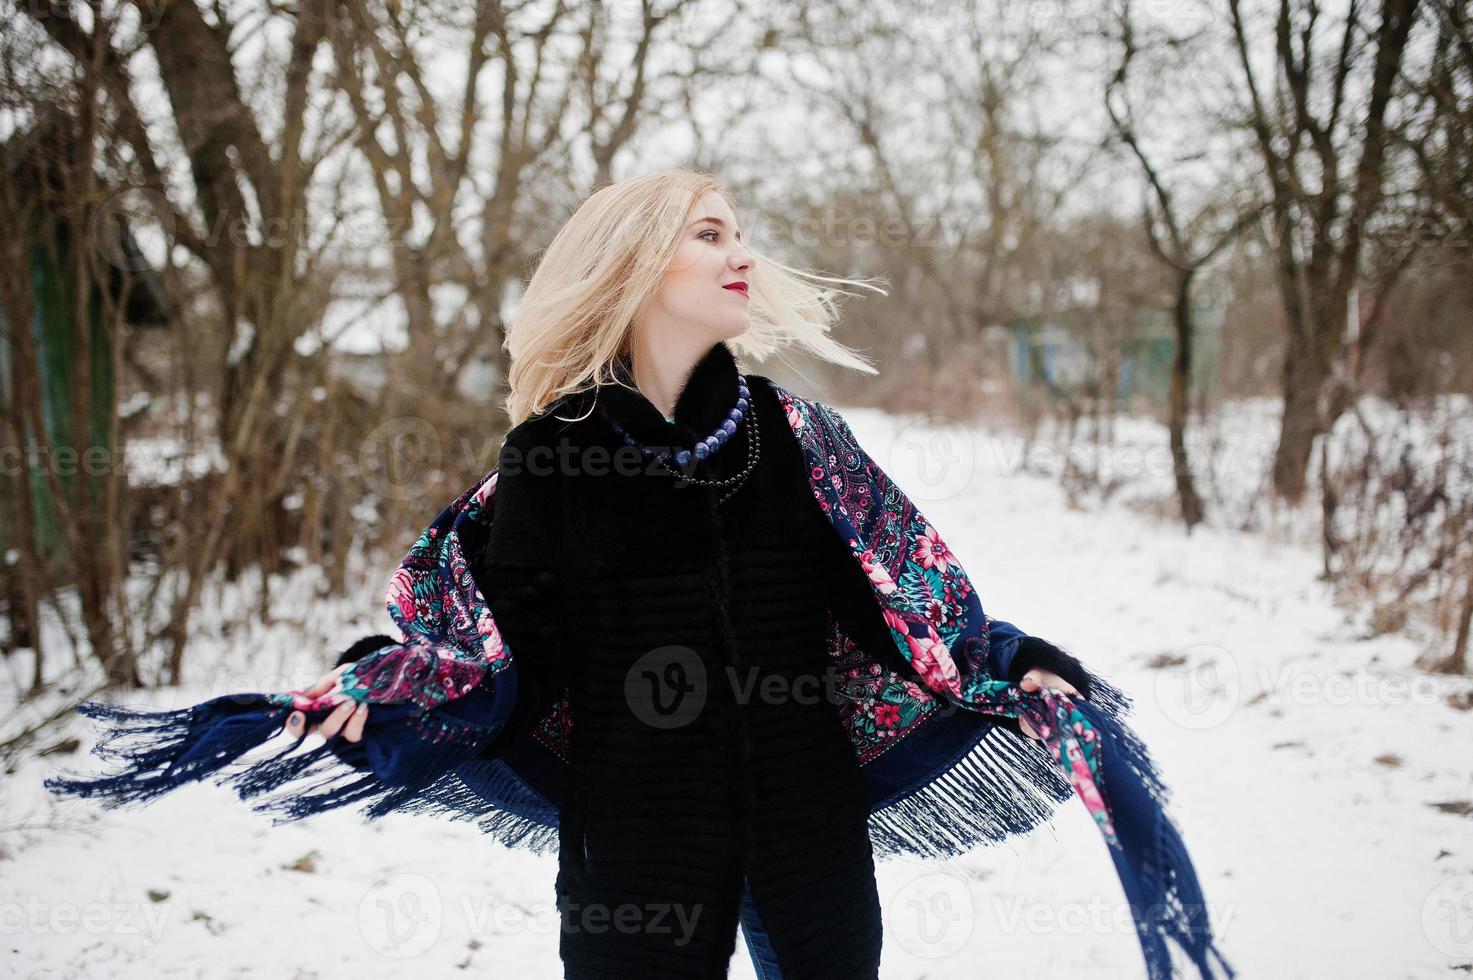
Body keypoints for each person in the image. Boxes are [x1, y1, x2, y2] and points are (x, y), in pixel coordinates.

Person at [286, 171, 1092, 978]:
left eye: (738, 234)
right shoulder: (550, 453)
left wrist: (1014, 663)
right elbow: (517, 666)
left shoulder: (795, 434)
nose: (740, 254)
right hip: (634, 846)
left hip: (807, 830)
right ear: (630, 263)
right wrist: (394, 685)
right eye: (709, 234)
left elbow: (901, 607)